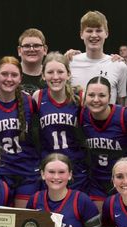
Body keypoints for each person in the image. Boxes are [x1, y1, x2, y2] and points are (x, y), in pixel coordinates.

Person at [0, 56, 40, 207]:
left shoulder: (29, 102)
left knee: (22, 222)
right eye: (4, 74)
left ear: (21, 78)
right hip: (1, 172)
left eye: (14, 75)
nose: (9, 79)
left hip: (27, 171)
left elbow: (38, 137)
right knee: (1, 224)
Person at [35, 52, 89, 189]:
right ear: (43, 75)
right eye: (50, 72)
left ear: (68, 74)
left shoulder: (79, 97)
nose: (55, 77)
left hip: (75, 166)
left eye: (60, 72)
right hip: (49, 167)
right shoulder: (38, 97)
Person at [79, 76, 127, 205]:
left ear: (109, 96)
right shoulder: (82, 115)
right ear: (85, 96)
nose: (96, 100)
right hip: (97, 183)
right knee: (99, 223)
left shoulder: (125, 116)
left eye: (101, 95)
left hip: (123, 181)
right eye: (91, 95)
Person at [69, 11, 126, 95]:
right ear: (81, 34)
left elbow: (122, 104)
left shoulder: (119, 65)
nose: (94, 35)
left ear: (106, 33)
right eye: (89, 31)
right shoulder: (69, 63)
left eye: (98, 30)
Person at [0, 28, 47, 95]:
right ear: (19, 50)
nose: (31, 49)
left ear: (45, 50)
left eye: (36, 45)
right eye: (26, 46)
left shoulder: (52, 77)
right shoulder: (2, 76)